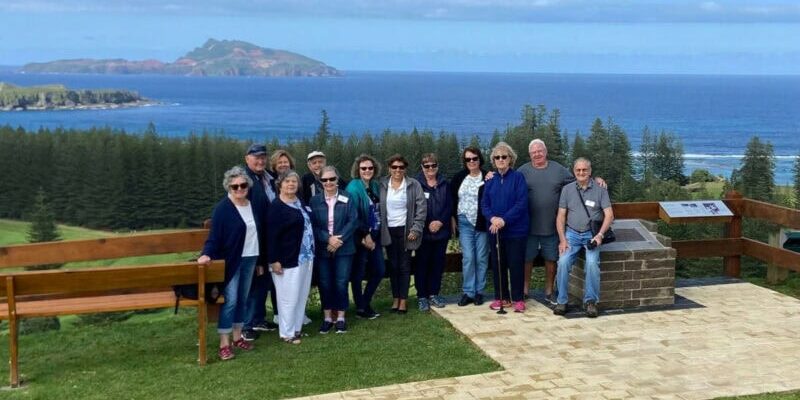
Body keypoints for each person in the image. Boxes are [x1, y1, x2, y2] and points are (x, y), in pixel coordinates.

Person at [517, 139, 607, 303]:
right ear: (529, 154)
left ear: (546, 152)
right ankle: (524, 290)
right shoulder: (522, 171)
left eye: (540, 151)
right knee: (527, 259)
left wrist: (597, 179)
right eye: (533, 152)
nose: (537, 154)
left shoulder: (558, 170)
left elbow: (579, 178)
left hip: (552, 226)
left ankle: (550, 291)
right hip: (528, 225)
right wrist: (490, 174)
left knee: (551, 259)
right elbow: (510, 183)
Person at [197, 166, 264, 360]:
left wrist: (261, 259)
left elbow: (258, 233)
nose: (239, 189)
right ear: (228, 187)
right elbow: (214, 237)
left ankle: (238, 337)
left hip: (251, 257)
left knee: (243, 299)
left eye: (243, 185)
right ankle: (224, 343)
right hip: (232, 260)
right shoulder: (223, 209)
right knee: (231, 300)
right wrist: (206, 254)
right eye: (235, 186)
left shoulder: (252, 205)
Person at [553, 158, 614, 318]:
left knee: (593, 264)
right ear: (574, 171)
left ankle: (591, 302)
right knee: (563, 262)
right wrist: (562, 239)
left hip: (591, 236)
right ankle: (561, 301)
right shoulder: (567, 190)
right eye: (578, 170)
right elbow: (560, 216)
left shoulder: (600, 190)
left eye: (584, 170)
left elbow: (609, 215)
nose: (581, 173)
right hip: (571, 235)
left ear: (590, 171)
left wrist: (600, 235)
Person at [481, 142, 530, 313]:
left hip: (515, 230)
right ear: (493, 160)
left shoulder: (518, 178)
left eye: (504, 156)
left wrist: (504, 220)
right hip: (495, 230)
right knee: (498, 264)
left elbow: (521, 203)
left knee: (516, 264)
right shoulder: (490, 180)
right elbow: (484, 204)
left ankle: (518, 299)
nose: (500, 159)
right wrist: (493, 218)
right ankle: (502, 297)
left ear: (511, 159)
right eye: (497, 157)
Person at [267, 170, 314, 343]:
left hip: (305, 256)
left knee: (301, 294)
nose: (291, 184)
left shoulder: (299, 202)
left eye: (294, 181)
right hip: (287, 259)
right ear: (280, 184)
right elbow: (270, 236)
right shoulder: (276, 207)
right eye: (287, 181)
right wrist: (274, 260)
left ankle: (296, 329)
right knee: (288, 297)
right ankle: (286, 333)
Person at [310, 166, 357, 334]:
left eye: (332, 179)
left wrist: (338, 239)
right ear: (320, 182)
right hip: (323, 248)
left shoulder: (348, 197)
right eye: (325, 180)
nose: (328, 182)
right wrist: (327, 238)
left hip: (344, 248)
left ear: (337, 180)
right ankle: (328, 318)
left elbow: (353, 221)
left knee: (341, 282)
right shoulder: (314, 201)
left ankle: (342, 318)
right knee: (325, 283)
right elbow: (312, 225)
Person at [379, 154, 426, 314]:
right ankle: (395, 298)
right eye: (394, 167)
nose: (398, 170)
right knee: (393, 266)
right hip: (389, 230)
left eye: (401, 167)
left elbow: (421, 208)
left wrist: (416, 229)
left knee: (404, 266)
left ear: (405, 169)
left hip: (407, 231)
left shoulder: (414, 185)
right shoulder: (383, 185)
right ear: (389, 169)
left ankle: (403, 300)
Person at [241, 144, 278, 342]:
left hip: (267, 237)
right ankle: (246, 325)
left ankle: (259, 319)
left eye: (263, 157)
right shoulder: (244, 180)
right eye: (256, 157)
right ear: (247, 158)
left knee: (263, 281)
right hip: (251, 239)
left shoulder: (267, 177)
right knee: (252, 281)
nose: (260, 161)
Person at [345, 154, 385, 319]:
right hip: (359, 237)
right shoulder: (353, 188)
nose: (367, 171)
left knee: (379, 270)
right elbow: (353, 215)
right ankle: (362, 307)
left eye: (370, 168)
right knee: (358, 273)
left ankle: (363, 303)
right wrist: (365, 236)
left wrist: (372, 236)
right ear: (358, 170)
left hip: (374, 235)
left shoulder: (374, 185)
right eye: (363, 168)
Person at [451, 146, 490, 307]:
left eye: (474, 158)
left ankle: (479, 291)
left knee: (481, 257)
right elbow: (452, 199)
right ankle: (468, 292)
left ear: (480, 159)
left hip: (481, 223)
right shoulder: (459, 177)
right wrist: (452, 218)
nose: (472, 162)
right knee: (468, 258)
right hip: (464, 222)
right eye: (468, 159)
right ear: (464, 161)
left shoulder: (488, 176)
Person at [415, 153, 452, 311]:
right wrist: (427, 223)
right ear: (422, 167)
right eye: (427, 166)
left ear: (437, 166)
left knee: (438, 264)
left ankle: (434, 294)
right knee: (422, 264)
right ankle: (422, 296)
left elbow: (449, 205)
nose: (430, 168)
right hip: (423, 232)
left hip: (441, 231)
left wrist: (440, 222)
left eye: (433, 165)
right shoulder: (416, 184)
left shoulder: (444, 183)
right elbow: (414, 207)